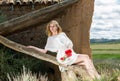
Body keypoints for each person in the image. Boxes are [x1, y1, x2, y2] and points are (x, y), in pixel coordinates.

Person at [27, 20, 100, 79]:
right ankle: (97, 78)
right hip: (63, 57)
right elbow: (44, 51)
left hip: (69, 54)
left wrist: (67, 54)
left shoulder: (62, 34)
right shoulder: (50, 39)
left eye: (53, 26)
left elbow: (70, 46)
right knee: (86, 58)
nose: (51, 28)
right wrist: (32, 47)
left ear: (57, 27)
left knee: (87, 59)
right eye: (50, 27)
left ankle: (95, 77)